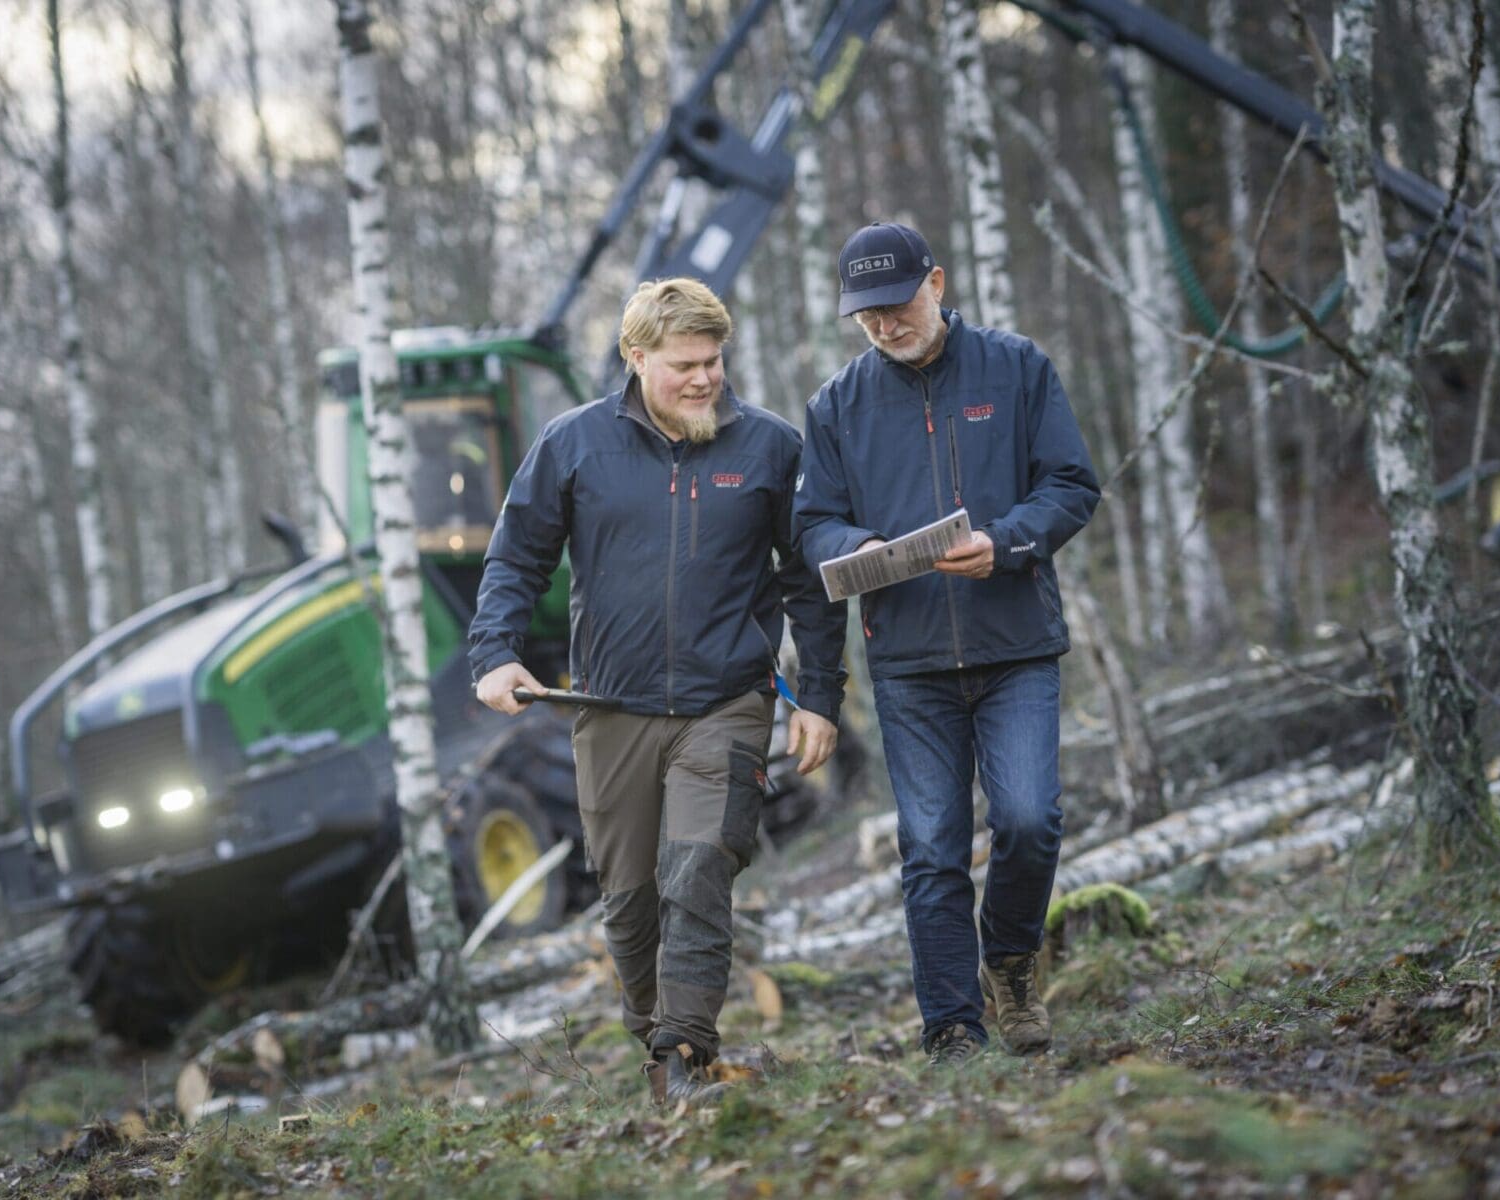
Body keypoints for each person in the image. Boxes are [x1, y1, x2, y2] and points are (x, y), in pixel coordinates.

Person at [469, 278, 846, 1107]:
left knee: (699, 866)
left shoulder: (769, 448)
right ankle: (658, 1044)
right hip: (610, 710)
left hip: (727, 703)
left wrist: (818, 695)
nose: (704, 378)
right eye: (684, 365)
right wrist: (494, 653)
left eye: (713, 360)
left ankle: (682, 1052)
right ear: (636, 358)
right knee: (630, 902)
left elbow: (809, 580)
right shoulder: (574, 445)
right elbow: (516, 557)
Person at [793, 223, 1100, 1067]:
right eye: (865, 315)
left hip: (1015, 643)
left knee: (1028, 820)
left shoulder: (1016, 368)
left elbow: (1071, 483)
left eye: (895, 306)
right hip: (908, 660)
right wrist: (851, 544)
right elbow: (812, 521)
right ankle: (952, 1028)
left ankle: (1011, 964)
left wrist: (1007, 541)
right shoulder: (836, 405)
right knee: (930, 847)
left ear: (935, 283)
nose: (883, 325)